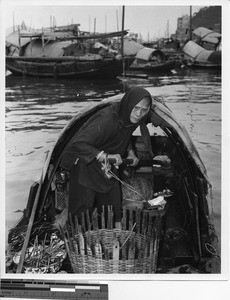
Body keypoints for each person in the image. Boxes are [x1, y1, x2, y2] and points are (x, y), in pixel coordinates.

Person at [59, 87, 153, 228]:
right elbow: (78, 143)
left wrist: (130, 152)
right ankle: (75, 238)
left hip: (107, 164)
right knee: (81, 210)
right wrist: (104, 156)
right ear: (128, 104)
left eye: (144, 110)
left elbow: (124, 136)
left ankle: (110, 235)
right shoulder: (107, 119)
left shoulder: (130, 117)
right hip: (84, 160)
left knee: (113, 207)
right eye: (136, 108)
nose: (139, 114)